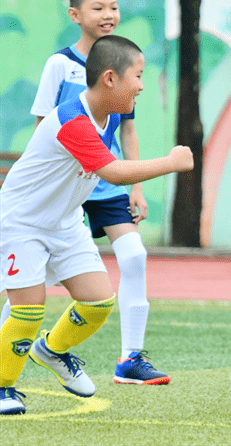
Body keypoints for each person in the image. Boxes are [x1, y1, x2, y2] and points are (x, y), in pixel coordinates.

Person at [0, 35, 194, 415]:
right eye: (137, 76)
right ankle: (3, 387)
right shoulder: (73, 118)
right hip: (22, 221)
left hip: (65, 221)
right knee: (27, 310)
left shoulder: (111, 113)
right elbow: (112, 172)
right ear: (110, 78)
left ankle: (51, 349)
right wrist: (171, 161)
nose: (141, 84)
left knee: (98, 301)